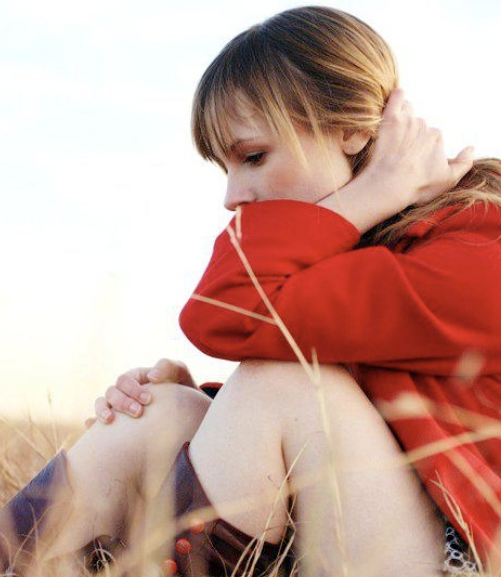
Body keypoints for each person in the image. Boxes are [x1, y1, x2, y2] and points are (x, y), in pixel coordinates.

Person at [1, 5, 501, 577]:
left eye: (254, 157)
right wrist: (210, 413)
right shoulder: (368, 244)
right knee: (163, 412)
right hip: (373, 532)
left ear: (354, 131)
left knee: (278, 381)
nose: (232, 197)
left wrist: (369, 195)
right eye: (226, 168)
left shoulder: (479, 248)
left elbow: (224, 311)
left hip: (463, 561)